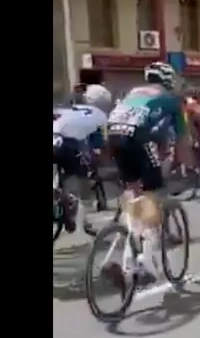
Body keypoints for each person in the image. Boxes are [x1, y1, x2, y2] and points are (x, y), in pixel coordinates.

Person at [105, 61, 187, 285]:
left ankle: (124, 259)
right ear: (168, 81)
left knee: (134, 195)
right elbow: (180, 139)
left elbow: (155, 131)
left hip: (113, 135)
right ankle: (147, 262)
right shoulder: (170, 100)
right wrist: (188, 165)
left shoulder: (133, 93)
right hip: (137, 138)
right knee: (153, 195)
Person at [53, 102, 108, 232]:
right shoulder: (94, 116)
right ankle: (73, 209)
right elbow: (98, 144)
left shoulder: (62, 110)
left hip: (58, 143)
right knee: (80, 180)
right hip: (69, 147)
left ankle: (62, 197)